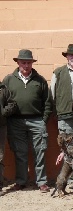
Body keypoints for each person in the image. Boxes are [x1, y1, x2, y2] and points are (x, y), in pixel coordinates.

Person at [3, 49, 53, 193]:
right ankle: (21, 181)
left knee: (40, 151)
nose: (26, 65)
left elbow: (48, 102)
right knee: (20, 152)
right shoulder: (8, 80)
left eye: (28, 62)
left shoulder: (40, 80)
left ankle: (42, 182)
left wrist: (43, 120)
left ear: (32, 63)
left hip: (36, 120)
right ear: (18, 63)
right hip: (16, 122)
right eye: (23, 62)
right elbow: (4, 99)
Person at [0, 82, 18, 196]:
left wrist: (3, 112)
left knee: (0, 156)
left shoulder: (3, 89)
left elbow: (12, 104)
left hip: (0, 126)